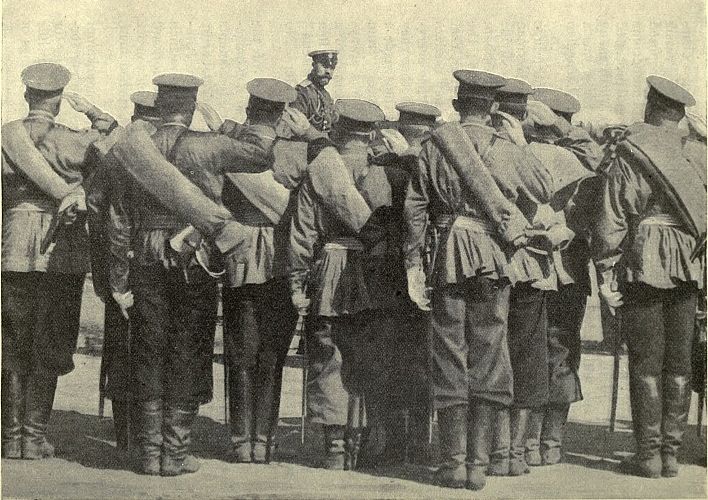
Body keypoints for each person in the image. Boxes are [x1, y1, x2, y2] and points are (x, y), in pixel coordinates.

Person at [107, 73, 277, 476]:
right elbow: (261, 155)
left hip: (145, 257)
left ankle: (150, 454)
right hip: (196, 259)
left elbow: (117, 218)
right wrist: (233, 125)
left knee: (149, 349)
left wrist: (118, 279)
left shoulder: (131, 149)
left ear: (159, 106)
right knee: (189, 349)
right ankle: (176, 453)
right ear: (192, 106)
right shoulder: (210, 145)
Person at [404, 69, 546, 490]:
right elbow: (543, 187)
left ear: (456, 104)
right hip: (491, 258)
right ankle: (479, 466)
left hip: (446, 256)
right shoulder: (507, 147)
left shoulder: (434, 145)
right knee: (490, 351)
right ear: (494, 108)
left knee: (448, 352)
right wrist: (521, 144)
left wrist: (413, 264)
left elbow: (415, 209)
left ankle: (452, 463)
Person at [1, 62, 116, 460]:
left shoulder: (7, 137)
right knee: (51, 340)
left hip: (12, 246)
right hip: (63, 250)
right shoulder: (75, 141)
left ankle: (10, 436)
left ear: (26, 95)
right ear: (60, 101)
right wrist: (97, 115)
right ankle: (34, 437)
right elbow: (118, 149)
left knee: (12, 341)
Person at [593, 75, 706, 478]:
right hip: (691, 263)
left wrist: (606, 268)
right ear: (680, 115)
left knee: (645, 362)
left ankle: (649, 455)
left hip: (644, 261)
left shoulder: (631, 152)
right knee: (679, 362)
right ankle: (671, 455)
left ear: (650, 108)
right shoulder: (698, 155)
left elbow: (613, 217)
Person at [288, 98, 389, 470]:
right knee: (364, 356)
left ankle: (334, 449)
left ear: (338, 130)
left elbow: (302, 233)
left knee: (327, 354)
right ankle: (358, 444)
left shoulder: (320, 168)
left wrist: (297, 283)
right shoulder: (383, 174)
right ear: (371, 134)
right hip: (372, 274)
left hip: (330, 270)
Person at [220, 78, 301, 464]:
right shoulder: (295, 154)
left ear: (249, 110)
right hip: (284, 256)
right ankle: (264, 440)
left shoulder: (231, 148)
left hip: (239, 255)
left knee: (240, 350)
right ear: (282, 115)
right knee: (272, 353)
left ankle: (240, 440)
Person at [522, 88, 603, 467]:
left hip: (534, 268)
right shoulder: (584, 163)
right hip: (569, 271)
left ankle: (529, 442)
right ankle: (551, 442)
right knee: (562, 351)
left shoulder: (525, 155)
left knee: (530, 349)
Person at [361, 102, 440, 467]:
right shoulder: (436, 166)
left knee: (386, 357)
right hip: (427, 272)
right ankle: (420, 443)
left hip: (386, 273)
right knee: (422, 357)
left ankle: (389, 443)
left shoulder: (382, 167)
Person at [86, 90, 161, 454]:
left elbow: (95, 205)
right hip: (153, 266)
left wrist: (109, 274)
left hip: (121, 267)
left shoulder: (116, 154)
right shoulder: (164, 155)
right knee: (151, 347)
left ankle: (125, 436)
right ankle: (146, 436)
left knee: (121, 348)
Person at [292, 50, 339, 134]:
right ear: (314, 65)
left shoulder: (326, 95)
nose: (328, 72)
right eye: (324, 66)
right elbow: (297, 129)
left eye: (332, 68)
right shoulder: (302, 92)